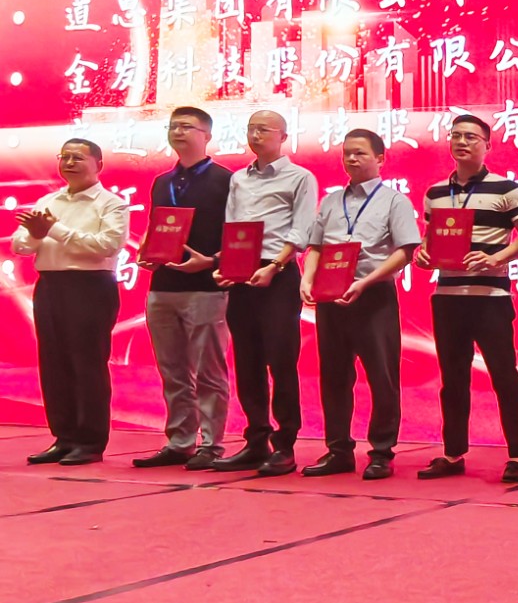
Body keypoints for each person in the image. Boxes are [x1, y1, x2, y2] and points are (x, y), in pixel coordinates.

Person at [299, 129, 421, 480]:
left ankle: (381, 452)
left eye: (360, 153)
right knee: (334, 376)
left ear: (380, 159)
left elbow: (405, 251)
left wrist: (364, 282)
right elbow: (317, 247)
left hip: (373, 296)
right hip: (331, 298)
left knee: (382, 377)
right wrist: (307, 279)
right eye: (347, 153)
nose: (351, 159)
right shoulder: (331, 201)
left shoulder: (394, 201)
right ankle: (338, 450)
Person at [414, 113, 518, 484]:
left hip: (490, 296)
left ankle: (517, 456)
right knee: (452, 379)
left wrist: (496, 259)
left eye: (470, 137)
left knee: (504, 375)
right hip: (447, 296)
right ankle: (453, 453)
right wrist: (423, 255)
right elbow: (431, 240)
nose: (462, 142)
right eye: (456, 135)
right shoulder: (435, 193)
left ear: (487, 145)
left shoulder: (508, 190)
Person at [12, 139, 130, 466]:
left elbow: (106, 246)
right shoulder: (48, 200)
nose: (69, 162)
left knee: (87, 362)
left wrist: (55, 230)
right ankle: (63, 438)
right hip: (50, 286)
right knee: (54, 363)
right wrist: (37, 233)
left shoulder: (111, 204)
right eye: (64, 156)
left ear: (98, 165)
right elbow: (21, 246)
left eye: (78, 157)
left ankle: (90, 442)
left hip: (90, 286)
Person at [213, 110, 316, 477]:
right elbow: (232, 226)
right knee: (247, 360)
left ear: (283, 136)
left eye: (263, 129)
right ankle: (256, 439)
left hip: (279, 272)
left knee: (281, 360)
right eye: (250, 129)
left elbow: (302, 231)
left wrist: (274, 265)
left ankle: (285, 444)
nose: (255, 135)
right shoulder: (239, 178)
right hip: (242, 272)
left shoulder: (300, 177)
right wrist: (226, 265)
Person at [132, 107, 234, 471]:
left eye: (186, 126)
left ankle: (212, 443)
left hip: (207, 286)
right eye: (173, 126)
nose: (177, 131)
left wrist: (212, 261)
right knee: (172, 370)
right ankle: (179, 441)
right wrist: (146, 251)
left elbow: (240, 233)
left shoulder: (226, 180)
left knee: (209, 370)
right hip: (162, 287)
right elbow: (155, 224)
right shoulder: (163, 181)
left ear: (207, 135)